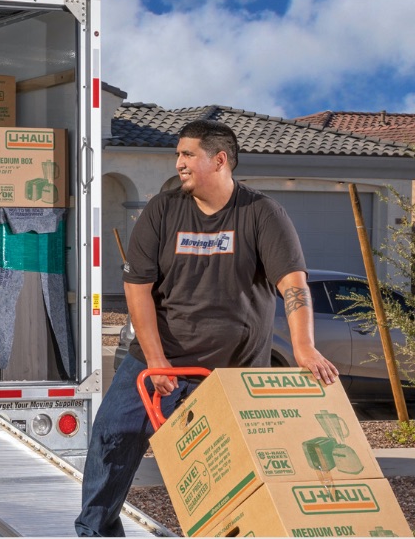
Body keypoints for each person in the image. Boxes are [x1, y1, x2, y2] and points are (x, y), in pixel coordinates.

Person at [74, 119, 341, 536]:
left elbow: (293, 285)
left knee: (234, 465)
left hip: (232, 371)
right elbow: (137, 289)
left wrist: (304, 347)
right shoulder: (163, 210)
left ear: (219, 160)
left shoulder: (261, 213)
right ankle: (95, 532)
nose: (178, 162)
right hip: (157, 361)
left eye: (187, 154)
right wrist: (158, 361)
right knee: (112, 439)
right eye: (177, 154)